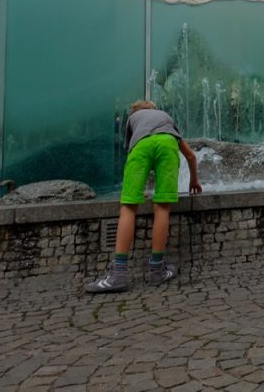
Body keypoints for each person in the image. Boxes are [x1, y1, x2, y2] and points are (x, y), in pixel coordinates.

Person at [86, 100, 201, 293]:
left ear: (135, 112)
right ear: (153, 109)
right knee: (162, 207)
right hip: (168, 143)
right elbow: (191, 156)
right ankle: (157, 269)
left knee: (129, 206)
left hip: (141, 146)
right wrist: (194, 182)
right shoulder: (165, 118)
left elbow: (136, 149)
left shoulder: (132, 119)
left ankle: (118, 274)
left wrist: (138, 190)